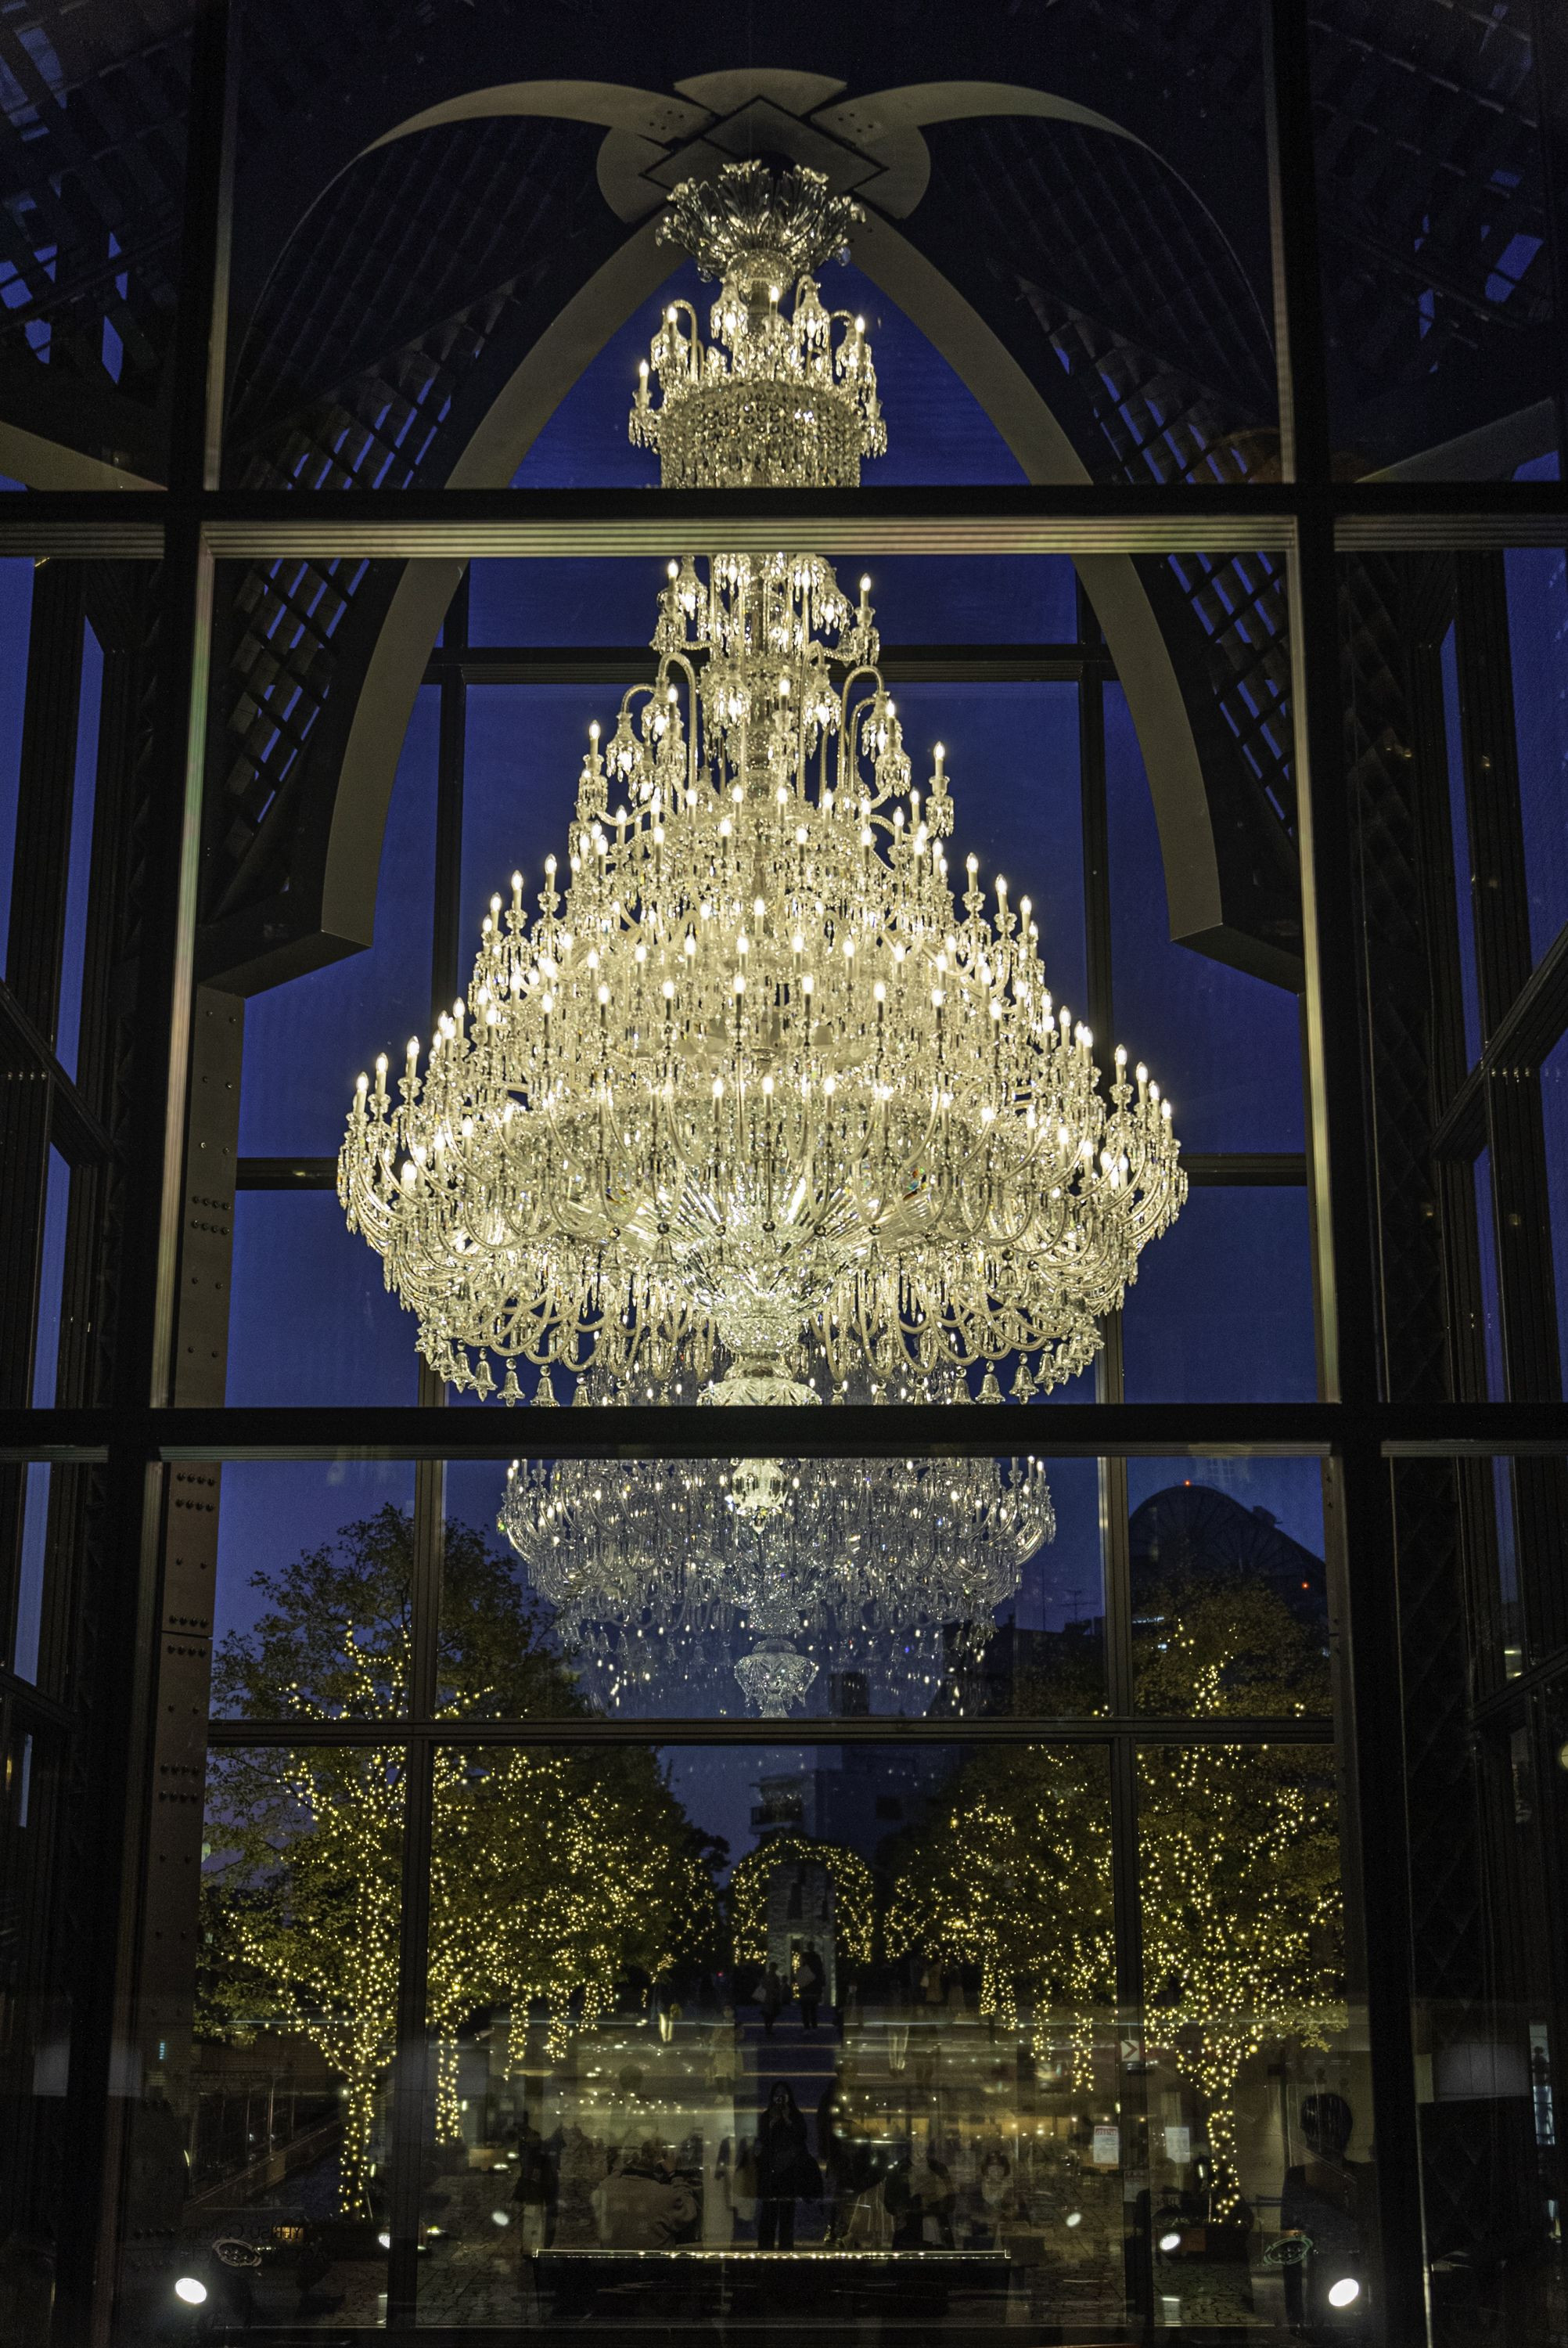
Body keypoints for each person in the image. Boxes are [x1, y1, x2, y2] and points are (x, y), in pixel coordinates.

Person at [756, 2081, 820, 2251]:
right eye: (777, 2095)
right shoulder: (767, 2116)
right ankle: (766, 2250)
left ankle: (785, 2250)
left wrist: (788, 2119)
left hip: (789, 2172)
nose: (780, 2099)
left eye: (783, 2095)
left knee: (787, 2215)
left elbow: (802, 2136)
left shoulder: (795, 2115)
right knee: (769, 2214)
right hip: (772, 2172)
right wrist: (773, 2121)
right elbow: (763, 2139)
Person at [797, 1943, 826, 2032]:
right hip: (809, 1986)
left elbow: (819, 1970)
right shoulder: (811, 1957)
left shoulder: (815, 1957)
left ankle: (811, 2025)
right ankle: (809, 2025)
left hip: (812, 1986)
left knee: (812, 2008)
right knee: (808, 2008)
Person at [760, 1961, 790, 2037]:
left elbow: (763, 1986)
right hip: (772, 1998)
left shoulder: (766, 1976)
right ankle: (769, 2028)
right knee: (772, 2014)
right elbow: (777, 1988)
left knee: (768, 2014)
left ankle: (768, 2027)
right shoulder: (775, 1977)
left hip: (767, 1998)